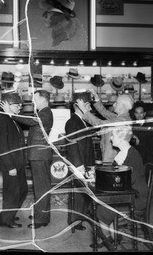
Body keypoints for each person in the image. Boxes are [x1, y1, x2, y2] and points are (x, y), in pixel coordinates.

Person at [0, 90, 53, 229]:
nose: (33, 102)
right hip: (38, 156)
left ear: (43, 99)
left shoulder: (46, 112)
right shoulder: (42, 112)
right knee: (40, 187)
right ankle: (41, 214)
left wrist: (11, 113)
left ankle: (41, 219)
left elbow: (30, 121)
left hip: (40, 156)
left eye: (35, 98)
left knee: (42, 188)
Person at [96, 125, 148, 246]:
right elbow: (117, 176)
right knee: (98, 201)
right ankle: (110, 237)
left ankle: (109, 240)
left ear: (121, 139)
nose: (111, 138)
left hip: (137, 197)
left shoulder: (132, 155)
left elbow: (127, 182)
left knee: (102, 209)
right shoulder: (122, 153)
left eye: (113, 135)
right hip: (127, 193)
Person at [0, 93, 28, 228]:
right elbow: (3, 146)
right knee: (12, 193)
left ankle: (9, 214)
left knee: (22, 190)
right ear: (7, 105)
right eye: (16, 105)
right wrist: (10, 166)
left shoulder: (12, 118)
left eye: (20, 104)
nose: (19, 107)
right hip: (11, 165)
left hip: (17, 163)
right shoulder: (2, 119)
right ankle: (6, 220)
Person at [76, 90, 134, 163]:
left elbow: (99, 123)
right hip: (110, 155)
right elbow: (105, 113)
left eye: (117, 103)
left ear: (123, 106)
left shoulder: (122, 120)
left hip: (111, 158)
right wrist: (96, 98)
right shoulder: (121, 117)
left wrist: (83, 109)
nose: (114, 105)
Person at [65, 92, 95, 231]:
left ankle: (80, 219)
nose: (90, 107)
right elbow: (73, 146)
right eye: (88, 104)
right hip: (79, 165)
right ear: (77, 106)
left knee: (83, 194)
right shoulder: (72, 122)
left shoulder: (83, 120)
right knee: (78, 194)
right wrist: (79, 166)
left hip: (85, 163)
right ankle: (75, 221)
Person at [131, 101, 153, 168]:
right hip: (138, 158)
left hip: (150, 158)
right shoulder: (132, 126)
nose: (139, 115)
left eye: (141, 113)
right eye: (137, 113)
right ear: (134, 114)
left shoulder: (150, 125)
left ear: (144, 113)